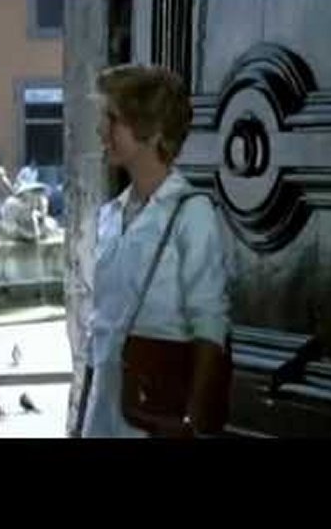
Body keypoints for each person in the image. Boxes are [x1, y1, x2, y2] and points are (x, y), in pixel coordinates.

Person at [79, 64, 231, 438]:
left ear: (150, 129)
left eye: (113, 119)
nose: (101, 130)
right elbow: (99, 325)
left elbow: (210, 325)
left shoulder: (191, 213)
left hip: (158, 412)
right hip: (104, 411)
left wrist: (193, 422)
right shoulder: (109, 215)